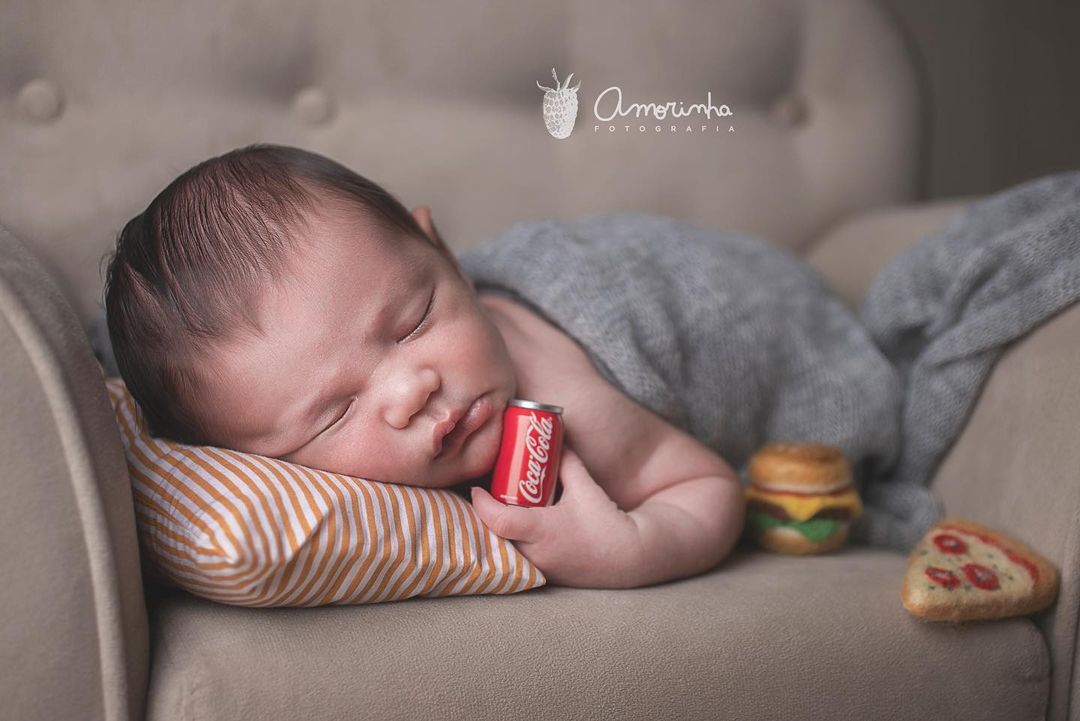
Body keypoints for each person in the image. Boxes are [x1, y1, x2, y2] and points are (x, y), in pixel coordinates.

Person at [103, 143, 746, 589]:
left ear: (443, 254)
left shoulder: (568, 402)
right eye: (336, 412)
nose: (412, 392)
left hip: (729, 302)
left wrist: (629, 551)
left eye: (412, 323)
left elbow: (707, 487)